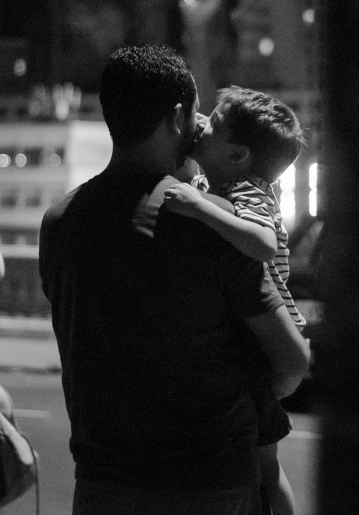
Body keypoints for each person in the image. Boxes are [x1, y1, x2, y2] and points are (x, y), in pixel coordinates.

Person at [39, 45, 309, 515]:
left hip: (103, 483)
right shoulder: (212, 222)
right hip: (209, 483)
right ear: (178, 116)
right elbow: (291, 360)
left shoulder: (60, 222)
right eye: (198, 114)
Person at [164, 85, 307, 515]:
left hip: (265, 345)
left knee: (266, 463)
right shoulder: (226, 179)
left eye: (216, 125)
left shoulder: (249, 190)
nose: (203, 123)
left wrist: (199, 206)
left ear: (238, 155)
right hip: (258, 337)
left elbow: (262, 243)